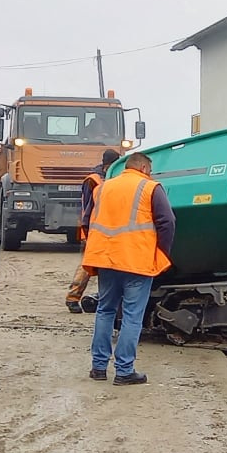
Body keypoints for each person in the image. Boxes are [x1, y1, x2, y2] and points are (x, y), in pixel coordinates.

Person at [81, 150, 174, 386]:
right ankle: (124, 371)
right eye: (150, 171)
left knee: (105, 310)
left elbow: (85, 221)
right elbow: (168, 221)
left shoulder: (102, 188)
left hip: (105, 259)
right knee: (132, 315)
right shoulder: (150, 187)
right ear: (143, 168)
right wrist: (161, 254)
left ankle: (98, 367)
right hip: (137, 260)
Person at [66, 147, 123, 314]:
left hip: (107, 228)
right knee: (88, 264)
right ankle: (73, 297)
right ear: (110, 164)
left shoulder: (106, 179)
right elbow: (88, 209)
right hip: (95, 229)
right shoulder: (94, 181)